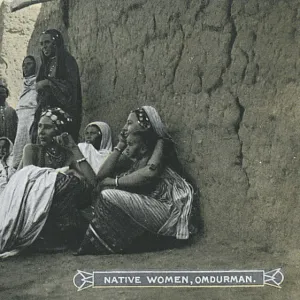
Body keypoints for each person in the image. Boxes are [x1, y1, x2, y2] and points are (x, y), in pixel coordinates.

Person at [75, 106, 194, 255]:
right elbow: (102, 174)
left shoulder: (160, 143)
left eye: (129, 123)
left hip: (168, 209)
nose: (125, 127)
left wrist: (115, 182)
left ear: (145, 125)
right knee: (103, 194)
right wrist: (120, 145)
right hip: (151, 205)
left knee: (108, 195)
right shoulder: (136, 145)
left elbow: (149, 173)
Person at [0, 107, 95, 258]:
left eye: (48, 127)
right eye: (39, 126)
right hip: (30, 205)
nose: (41, 132)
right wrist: (65, 173)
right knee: (65, 180)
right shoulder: (32, 150)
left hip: (53, 208)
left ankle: (57, 236)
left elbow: (91, 181)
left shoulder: (68, 155)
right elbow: (29, 181)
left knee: (74, 184)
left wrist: (73, 148)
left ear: (60, 131)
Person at [30, 29, 82, 143]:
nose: (44, 46)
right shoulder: (45, 65)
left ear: (56, 43)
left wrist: (49, 83)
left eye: (47, 42)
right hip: (45, 112)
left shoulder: (67, 61)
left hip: (63, 112)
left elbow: (72, 88)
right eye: (42, 44)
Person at [12, 56, 38, 168]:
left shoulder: (39, 83)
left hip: (31, 116)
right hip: (20, 118)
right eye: (24, 65)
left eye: (29, 64)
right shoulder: (23, 85)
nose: (26, 67)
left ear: (36, 66)